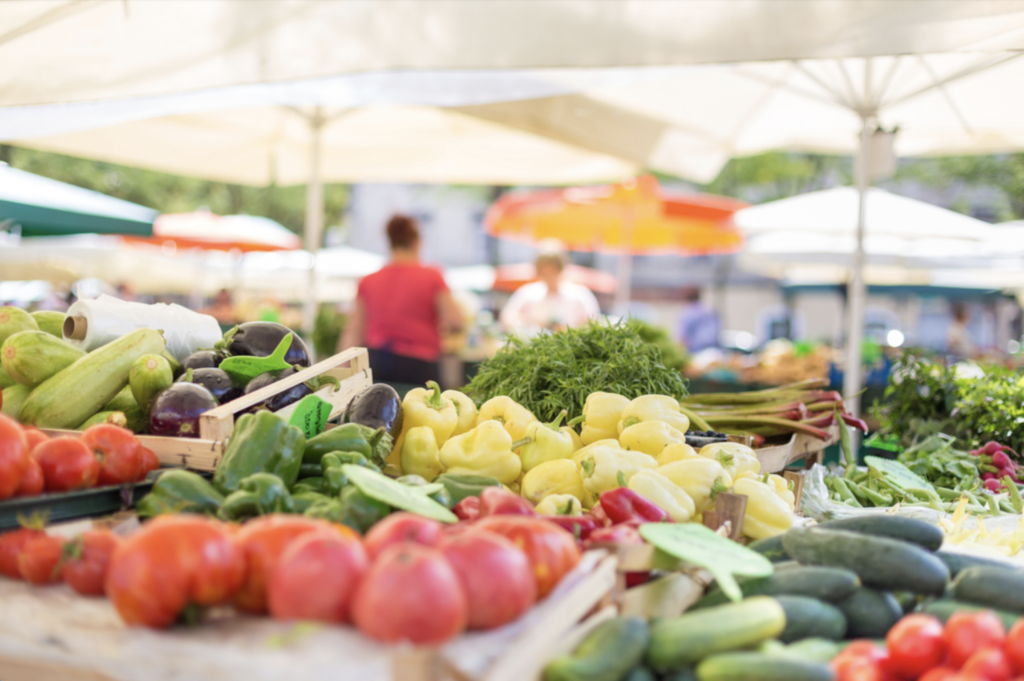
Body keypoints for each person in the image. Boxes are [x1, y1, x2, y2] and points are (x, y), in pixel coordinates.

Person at [339, 214, 463, 384]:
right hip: (419, 365)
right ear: (417, 243)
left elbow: (354, 331)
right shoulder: (432, 277)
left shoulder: (368, 281)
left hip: (378, 362)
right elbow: (456, 321)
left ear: (390, 243)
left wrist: (339, 373)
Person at [499, 242, 601, 334]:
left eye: (552, 270)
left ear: (560, 269)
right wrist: (531, 321)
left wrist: (568, 329)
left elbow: (593, 323)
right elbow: (507, 318)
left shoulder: (580, 295)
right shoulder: (528, 294)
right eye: (544, 271)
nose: (549, 274)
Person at [676, 287, 719, 352]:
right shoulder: (710, 310)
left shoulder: (687, 312)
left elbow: (682, 336)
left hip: (695, 352)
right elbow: (717, 331)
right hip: (713, 350)